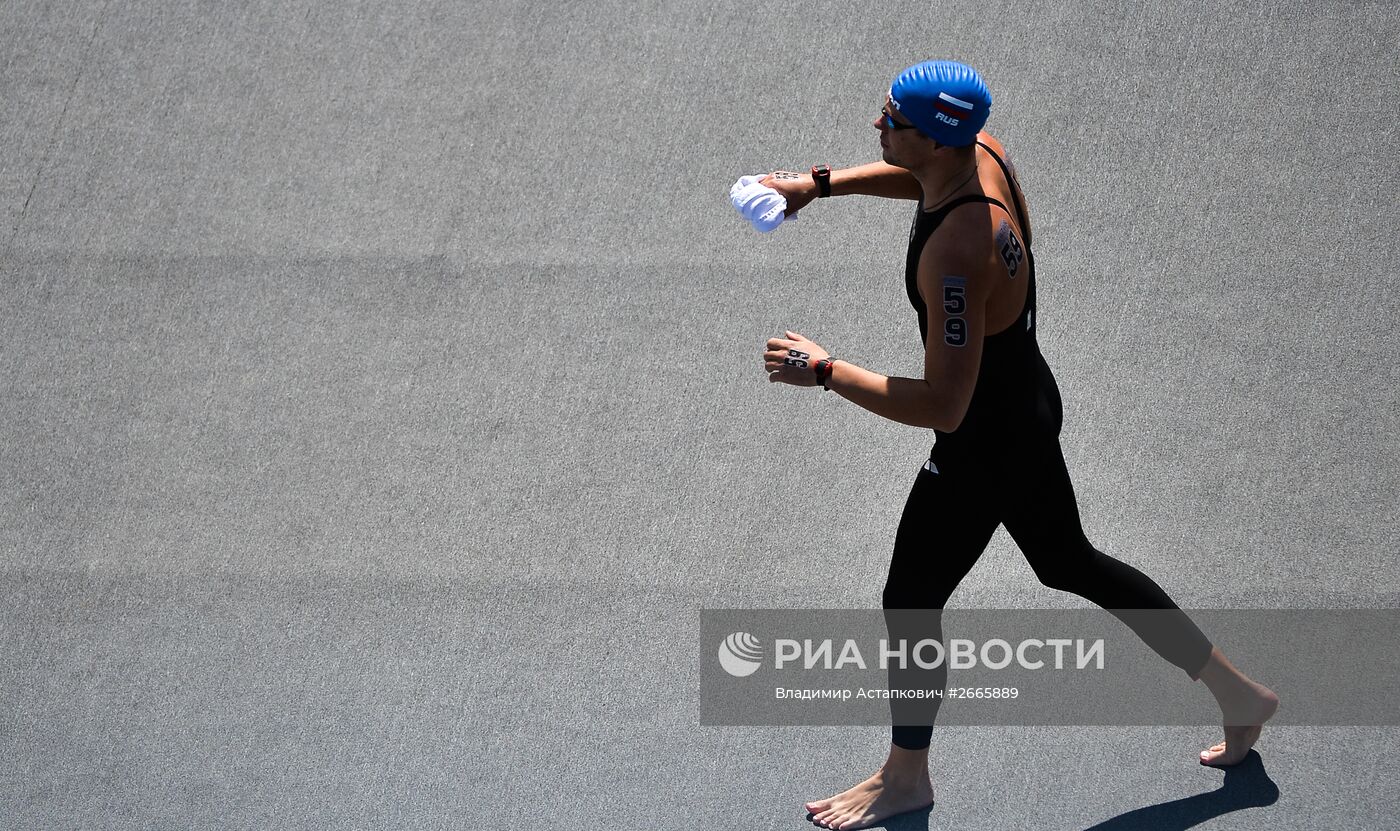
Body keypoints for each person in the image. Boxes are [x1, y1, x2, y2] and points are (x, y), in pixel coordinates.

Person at [754, 60, 1280, 830]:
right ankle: (1241, 693)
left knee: (909, 598)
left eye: (891, 120)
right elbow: (920, 182)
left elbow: (944, 403)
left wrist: (826, 370)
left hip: (986, 444)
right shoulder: (979, 152)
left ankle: (906, 777)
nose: (878, 126)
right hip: (1028, 403)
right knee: (1069, 560)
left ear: (933, 138)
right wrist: (818, 183)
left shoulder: (958, 254)